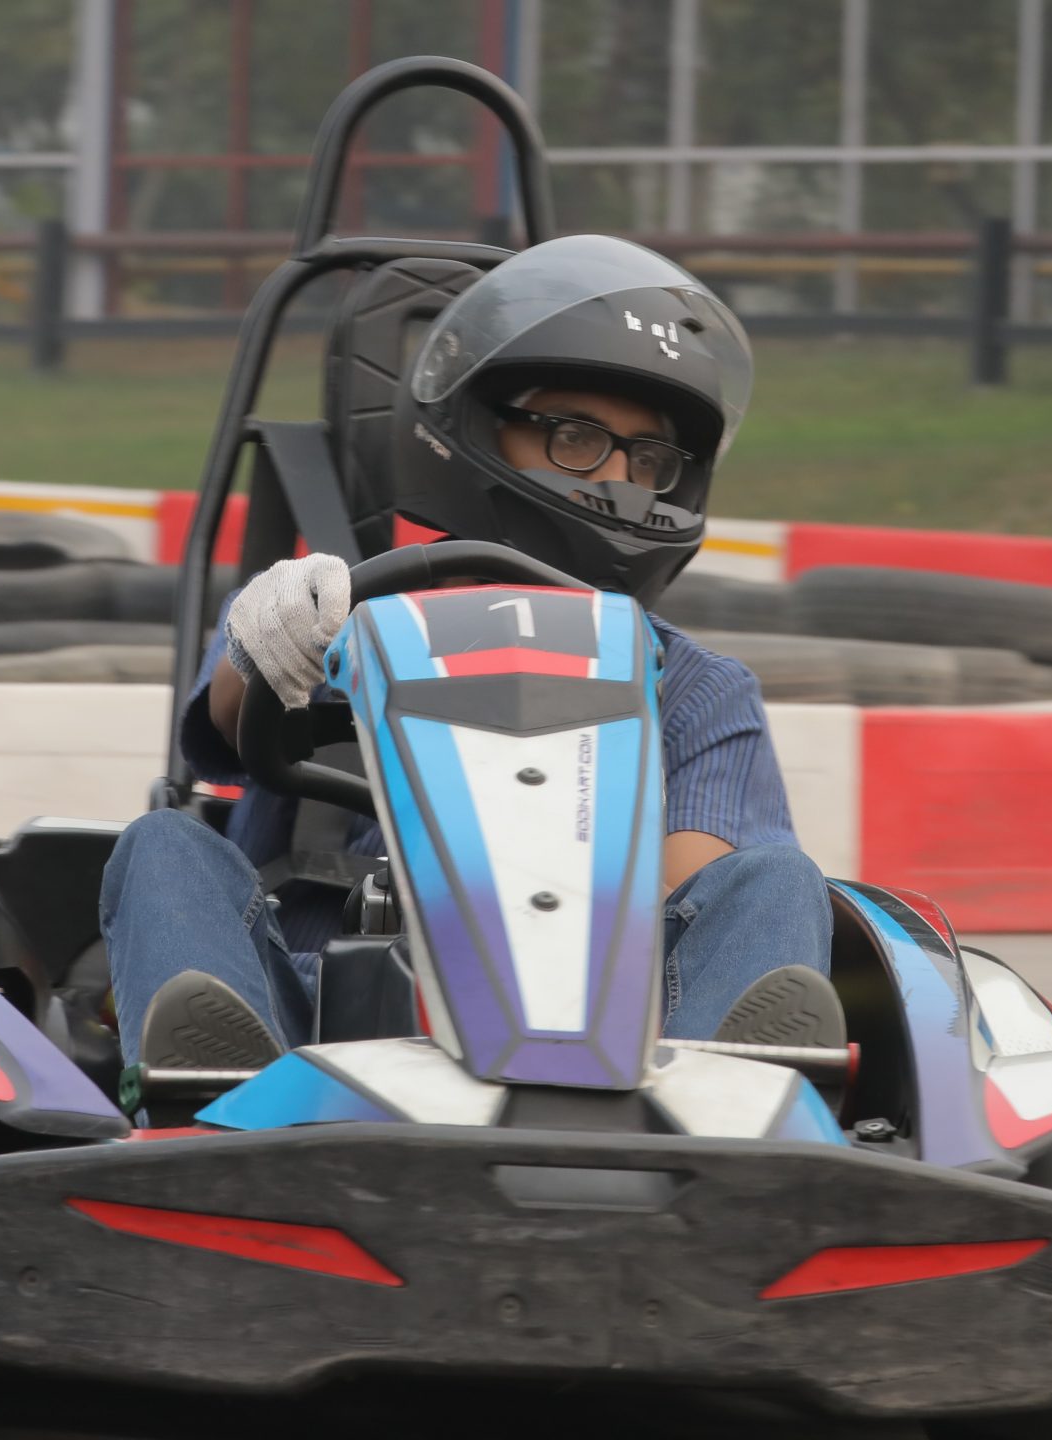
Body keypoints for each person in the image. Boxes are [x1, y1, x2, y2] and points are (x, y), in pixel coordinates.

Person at [101, 235, 837, 1071]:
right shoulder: (328, 618)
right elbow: (232, 717)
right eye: (576, 437)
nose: (617, 479)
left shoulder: (696, 687)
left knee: (776, 878)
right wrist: (269, 642)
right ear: (478, 428)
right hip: (306, 1026)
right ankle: (209, 1093)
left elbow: (693, 889)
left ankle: (734, 1101)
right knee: (165, 844)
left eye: (649, 457)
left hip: (608, 1035)